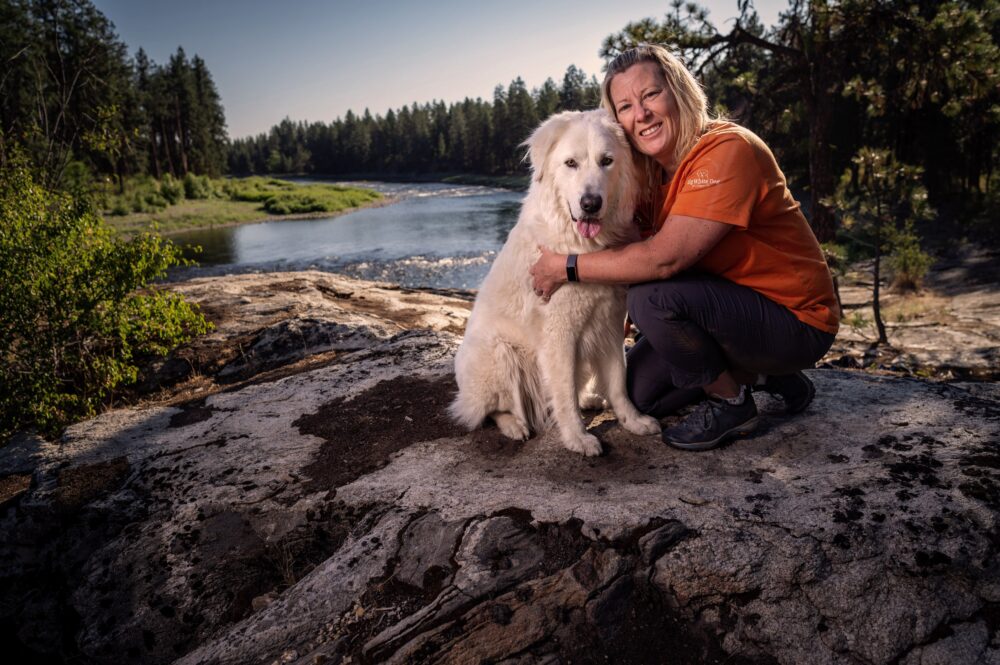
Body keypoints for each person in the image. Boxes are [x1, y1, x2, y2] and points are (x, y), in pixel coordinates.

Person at [529, 44, 840, 451]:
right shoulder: (646, 173)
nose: (640, 114)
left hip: (794, 321)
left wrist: (564, 267)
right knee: (638, 396)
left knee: (651, 297)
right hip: (727, 312)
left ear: (679, 91)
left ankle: (732, 402)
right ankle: (762, 373)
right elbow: (627, 246)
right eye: (624, 106)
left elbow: (663, 260)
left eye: (651, 95)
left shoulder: (727, 151)